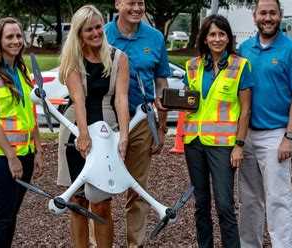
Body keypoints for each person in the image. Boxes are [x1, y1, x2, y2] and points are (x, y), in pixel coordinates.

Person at [237, 0, 292, 247]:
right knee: (248, 199)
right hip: (246, 135)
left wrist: (289, 137)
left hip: (276, 135)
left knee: (278, 198)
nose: (267, 18)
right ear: (254, 16)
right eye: (263, 13)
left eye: (272, 13)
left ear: (280, 15)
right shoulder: (243, 48)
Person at [56, 5, 130, 247]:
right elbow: (78, 98)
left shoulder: (119, 58)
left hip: (107, 130)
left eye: (98, 27)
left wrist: (124, 136)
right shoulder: (72, 60)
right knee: (78, 202)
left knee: (101, 202)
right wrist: (83, 136)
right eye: (89, 29)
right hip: (77, 129)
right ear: (79, 33)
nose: (96, 33)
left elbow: (121, 98)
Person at [182, 14, 253, 248]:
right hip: (194, 142)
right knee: (201, 204)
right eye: (212, 34)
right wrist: (166, 103)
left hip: (224, 145)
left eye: (222, 34)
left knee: (224, 205)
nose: (217, 38)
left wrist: (239, 145)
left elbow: (245, 109)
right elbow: (186, 100)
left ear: (229, 38)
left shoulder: (240, 65)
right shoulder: (192, 66)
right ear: (204, 38)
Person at [104, 0, 170, 246]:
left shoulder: (155, 38)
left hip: (141, 120)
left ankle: (136, 244)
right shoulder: (101, 34)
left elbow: (161, 85)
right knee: (101, 188)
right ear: (117, 3)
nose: (137, 8)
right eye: (130, 2)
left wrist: (161, 128)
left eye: (140, 3)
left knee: (138, 189)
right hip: (106, 121)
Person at [0, 17, 44, 247]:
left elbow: (30, 115)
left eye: (18, 36)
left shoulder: (22, 71)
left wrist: (39, 151)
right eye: (9, 37)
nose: (16, 41)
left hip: (25, 153)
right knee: (1, 218)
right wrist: (11, 157)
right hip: (0, 158)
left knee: (11, 216)